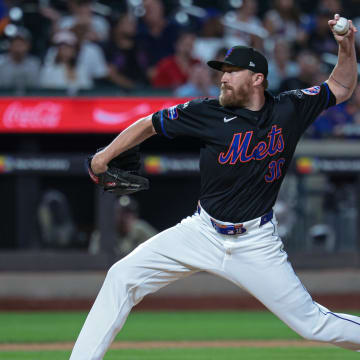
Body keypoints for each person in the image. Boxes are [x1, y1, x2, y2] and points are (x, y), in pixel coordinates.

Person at [70, 14, 360, 360]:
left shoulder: (289, 109)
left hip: (255, 242)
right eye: (222, 71)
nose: (222, 78)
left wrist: (346, 46)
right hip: (201, 231)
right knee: (121, 276)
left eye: (231, 71)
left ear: (257, 79)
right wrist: (104, 156)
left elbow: (340, 87)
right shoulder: (205, 112)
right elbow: (149, 124)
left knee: (312, 324)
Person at [89, 196, 157, 257]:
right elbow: (94, 258)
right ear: (113, 215)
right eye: (121, 212)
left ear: (135, 215)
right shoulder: (104, 232)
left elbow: (158, 246)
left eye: (129, 213)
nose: (124, 217)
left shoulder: (140, 229)